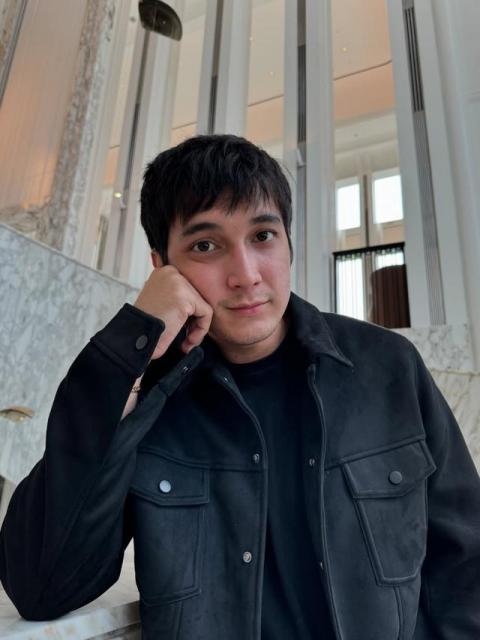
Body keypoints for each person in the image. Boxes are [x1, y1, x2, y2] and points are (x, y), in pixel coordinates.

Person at [1, 134, 479, 640]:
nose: (245, 275)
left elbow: (467, 565)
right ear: (163, 268)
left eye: (263, 236)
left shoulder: (388, 367)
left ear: (289, 244)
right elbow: (40, 587)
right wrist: (131, 343)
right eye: (206, 246)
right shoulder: (150, 400)